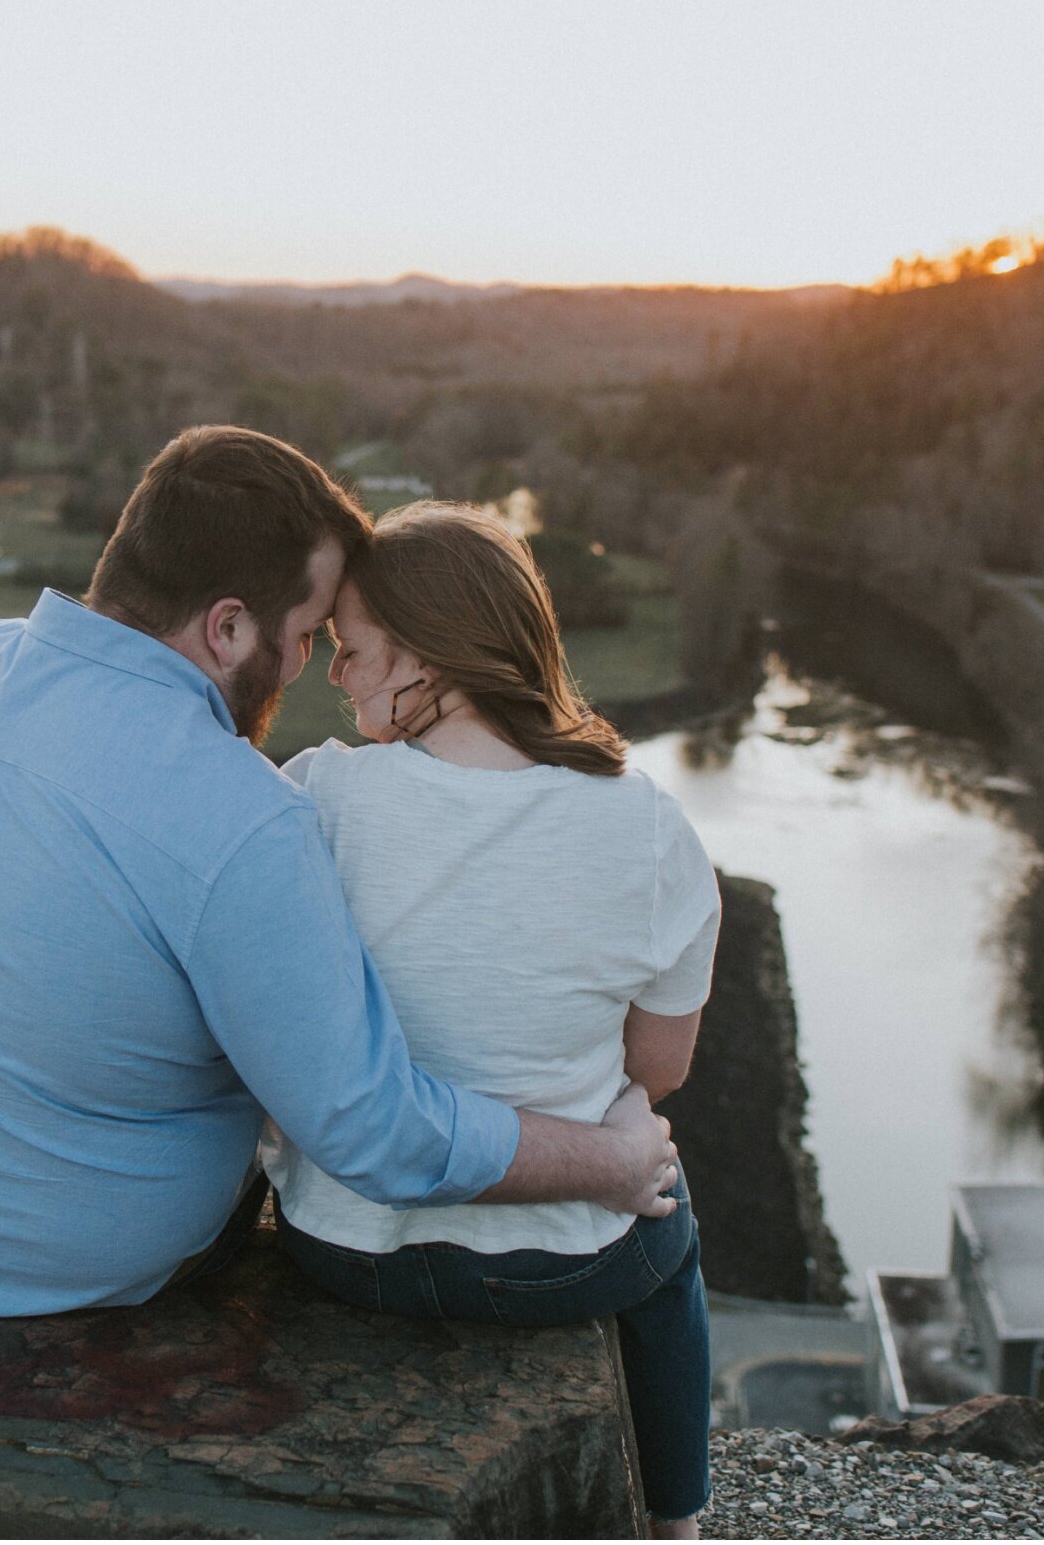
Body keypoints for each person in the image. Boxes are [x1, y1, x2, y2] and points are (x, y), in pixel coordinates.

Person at [0, 426, 679, 1334]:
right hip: (57, 1278)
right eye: (307, 633)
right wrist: (611, 1161)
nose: (310, 667)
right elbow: (371, 1131)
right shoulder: (239, 814)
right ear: (228, 627)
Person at [267, 501, 719, 1539]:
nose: (333, 677)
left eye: (353, 652)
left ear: (436, 656)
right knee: (664, 1206)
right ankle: (676, 1515)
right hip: (560, 1264)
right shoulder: (646, 821)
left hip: (341, 1246)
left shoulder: (314, 796)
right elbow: (659, 1067)